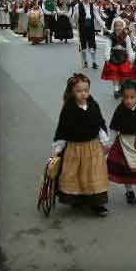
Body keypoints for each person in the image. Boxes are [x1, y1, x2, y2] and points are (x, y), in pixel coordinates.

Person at [50, 73, 111, 217]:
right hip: (75, 148)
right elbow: (63, 128)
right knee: (76, 174)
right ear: (72, 91)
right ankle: (77, 199)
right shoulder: (68, 108)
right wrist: (57, 148)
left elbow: (99, 122)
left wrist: (104, 140)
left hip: (92, 147)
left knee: (93, 174)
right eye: (79, 91)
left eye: (86, 90)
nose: (83, 94)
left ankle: (97, 203)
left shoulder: (93, 104)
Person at [101, 17, 135, 98]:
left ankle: (120, 88)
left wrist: (131, 59)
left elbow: (129, 48)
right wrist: (107, 57)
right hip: (114, 57)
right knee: (115, 74)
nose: (118, 28)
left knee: (123, 74)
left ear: (123, 27)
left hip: (123, 57)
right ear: (114, 27)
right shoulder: (111, 36)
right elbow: (108, 47)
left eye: (120, 26)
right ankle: (116, 89)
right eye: (117, 26)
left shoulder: (126, 37)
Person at [71, 0, 106, 69]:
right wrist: (74, 23)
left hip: (90, 25)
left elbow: (97, 16)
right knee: (83, 45)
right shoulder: (77, 6)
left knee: (92, 46)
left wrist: (103, 25)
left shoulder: (92, 6)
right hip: (82, 26)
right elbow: (74, 16)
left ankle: (94, 62)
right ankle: (85, 61)